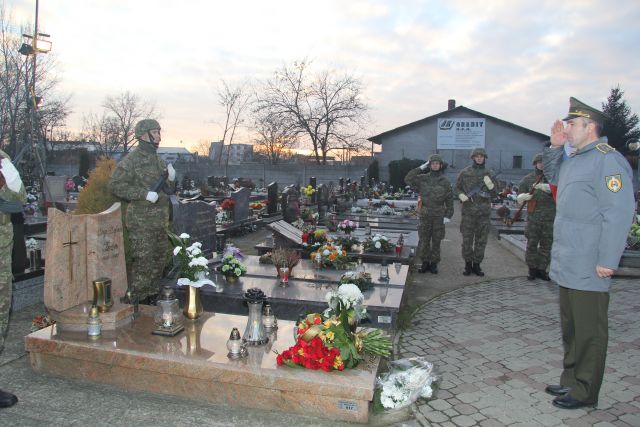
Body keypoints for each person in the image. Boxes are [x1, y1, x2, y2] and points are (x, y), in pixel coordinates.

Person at [543, 97, 635, 410]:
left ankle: (585, 390)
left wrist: (608, 259)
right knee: (571, 328)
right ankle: (571, 379)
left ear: (590, 127)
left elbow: (618, 212)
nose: (566, 129)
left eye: (572, 124)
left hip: (590, 261)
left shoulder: (608, 161)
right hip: (569, 258)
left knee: (589, 331)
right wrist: (555, 148)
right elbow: (554, 177)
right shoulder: (575, 159)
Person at [109, 119, 176, 304]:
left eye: (159, 132)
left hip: (159, 221)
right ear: (143, 135)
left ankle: (151, 299)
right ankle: (136, 303)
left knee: (158, 262)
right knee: (143, 263)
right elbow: (115, 185)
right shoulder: (132, 160)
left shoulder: (158, 160)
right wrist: (143, 194)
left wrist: (172, 179)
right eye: (154, 132)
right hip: (141, 222)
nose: (159, 136)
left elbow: (168, 190)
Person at [0, 150, 26, 408]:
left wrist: (9, 175)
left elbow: (19, 198)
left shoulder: (2, 157)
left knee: (1, 316)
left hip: (1, 252)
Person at [405, 154, 453, 274]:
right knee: (424, 240)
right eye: (432, 163)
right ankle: (425, 263)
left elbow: (449, 199)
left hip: (439, 215)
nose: (435, 165)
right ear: (430, 165)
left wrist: (448, 215)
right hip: (425, 214)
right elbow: (408, 179)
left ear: (440, 165)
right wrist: (421, 168)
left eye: (437, 163)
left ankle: (434, 264)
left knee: (436, 241)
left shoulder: (445, 181)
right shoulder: (423, 178)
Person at [455, 147, 498, 276]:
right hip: (468, 213)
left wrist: (491, 186)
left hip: (483, 214)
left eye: (481, 156)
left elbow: (495, 194)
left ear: (484, 158)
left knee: (481, 241)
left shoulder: (489, 173)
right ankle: (468, 265)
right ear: (473, 158)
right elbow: (457, 188)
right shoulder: (465, 172)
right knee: (467, 240)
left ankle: (477, 265)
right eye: (477, 156)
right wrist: (461, 195)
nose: (479, 158)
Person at [516, 153, 555, 281]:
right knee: (531, 245)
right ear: (535, 164)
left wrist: (550, 189)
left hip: (550, 218)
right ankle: (532, 269)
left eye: (544, 162)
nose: (542, 164)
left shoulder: (554, 178)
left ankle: (542, 269)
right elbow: (519, 196)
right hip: (533, 218)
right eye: (539, 162)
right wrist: (521, 197)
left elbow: (562, 194)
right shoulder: (528, 179)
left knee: (546, 245)